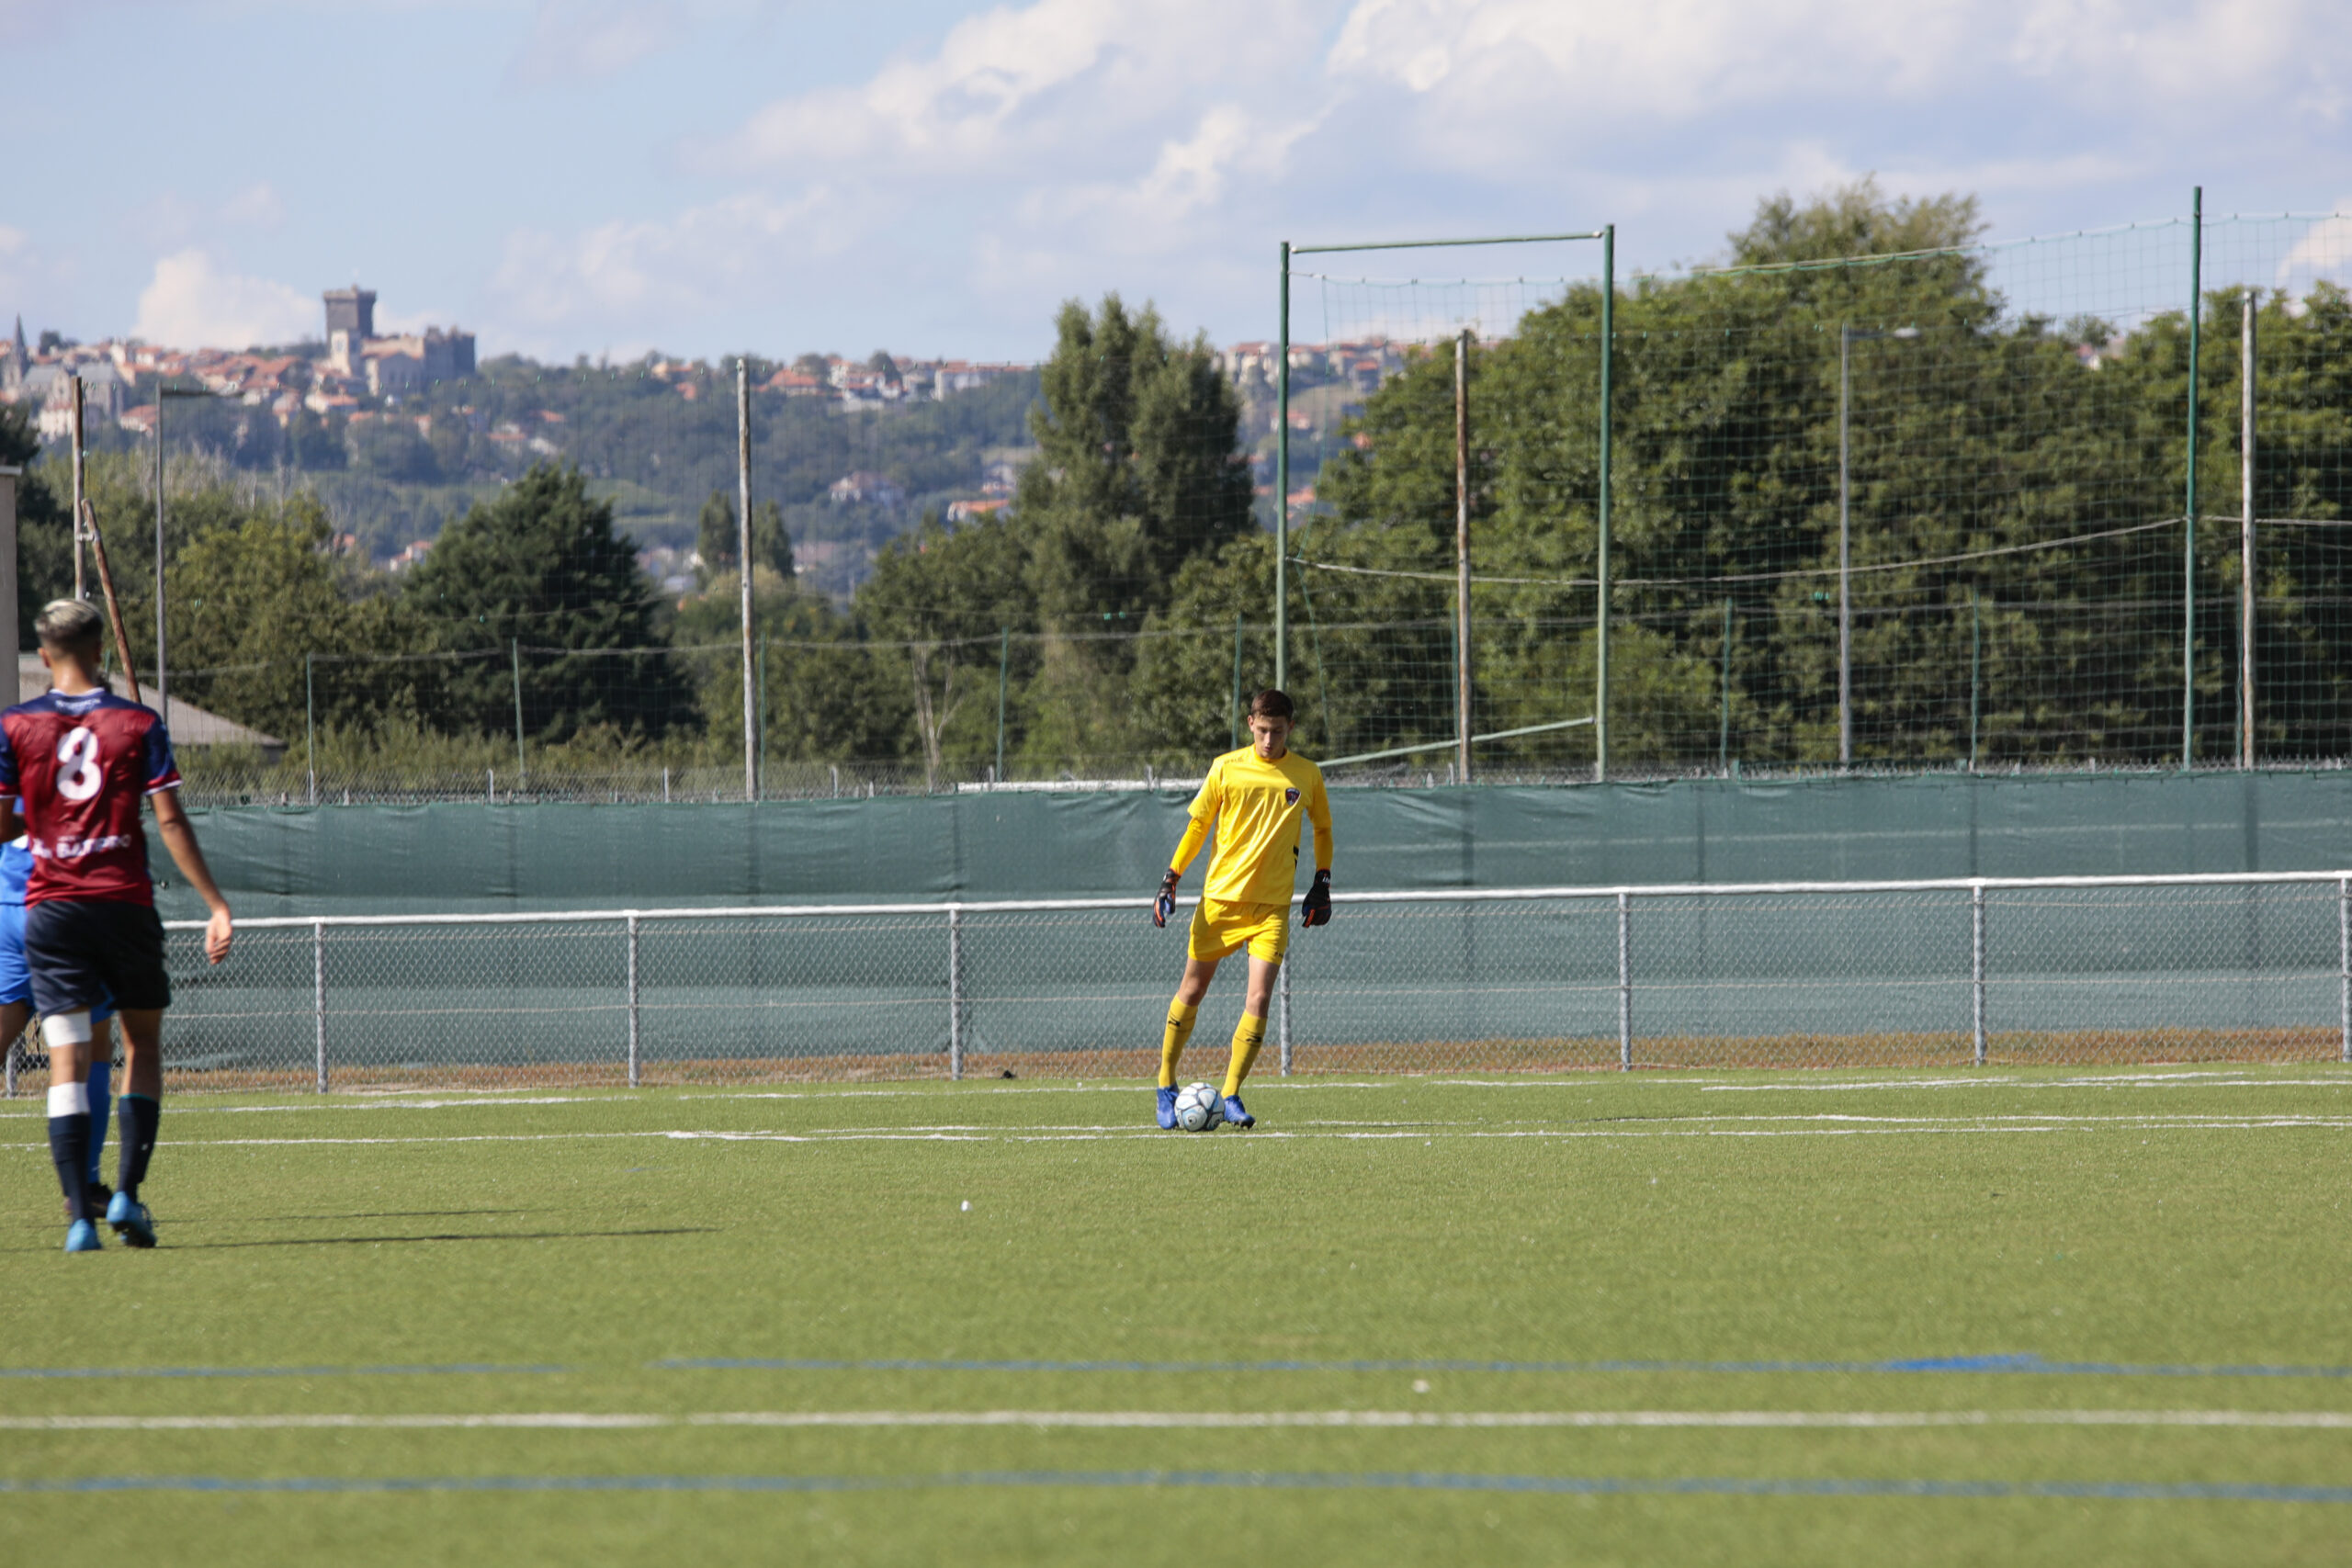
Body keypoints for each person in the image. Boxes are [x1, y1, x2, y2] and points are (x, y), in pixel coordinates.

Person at [3, 600, 233, 1252]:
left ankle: (80, 1217)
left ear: (42, 657)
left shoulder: (15, 726)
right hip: (123, 904)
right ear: (101, 649)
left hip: (51, 912)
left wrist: (46, 824)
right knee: (142, 1047)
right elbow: (169, 821)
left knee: (68, 1062)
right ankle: (126, 1194)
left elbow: (2, 824)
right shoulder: (137, 722)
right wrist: (215, 902)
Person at [1150, 688, 1333, 1129]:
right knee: (1191, 992)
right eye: (1262, 730)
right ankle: (1165, 1084)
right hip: (1220, 904)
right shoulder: (1226, 768)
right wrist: (1170, 878)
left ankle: (1230, 1092)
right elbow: (1198, 826)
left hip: (1272, 909)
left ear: (1292, 727)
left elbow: (1322, 828)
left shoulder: (1307, 774)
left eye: (1277, 730)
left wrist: (1321, 881)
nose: (1269, 739)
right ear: (1250, 724)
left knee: (1260, 997)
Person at [0, 831, 121, 1219]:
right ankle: (85, 1186)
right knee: (92, 1046)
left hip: (9, 896)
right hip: (66, 898)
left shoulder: (15, 769)